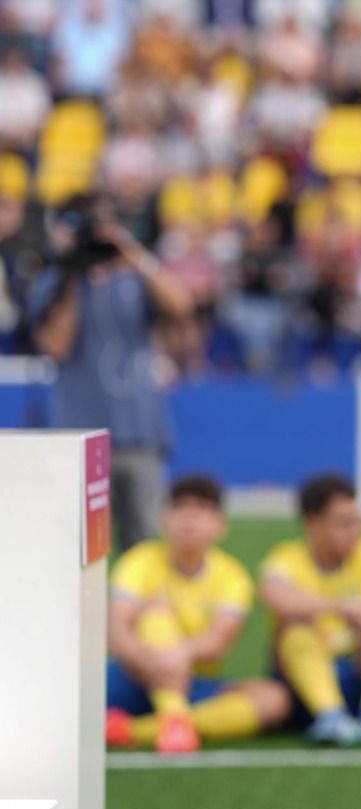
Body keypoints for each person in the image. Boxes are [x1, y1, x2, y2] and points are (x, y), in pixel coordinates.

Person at [28, 193, 193, 551]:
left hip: (138, 431)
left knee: (145, 549)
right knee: (75, 549)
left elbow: (181, 305)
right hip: (78, 434)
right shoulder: (53, 283)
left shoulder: (135, 277)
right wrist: (73, 270)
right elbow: (56, 345)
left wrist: (131, 252)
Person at [105, 475, 290, 753]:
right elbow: (117, 629)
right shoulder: (138, 561)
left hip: (193, 681)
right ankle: (175, 723)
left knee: (275, 700)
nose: (189, 518)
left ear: (220, 525)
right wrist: (153, 662)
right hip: (133, 674)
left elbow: (218, 643)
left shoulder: (232, 575)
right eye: (180, 508)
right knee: (155, 616)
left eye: (201, 509)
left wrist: (177, 658)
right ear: (163, 519)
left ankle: (137, 729)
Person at [260, 474, 361, 746]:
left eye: (358, 521)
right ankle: (329, 716)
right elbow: (276, 595)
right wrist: (343, 608)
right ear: (312, 524)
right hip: (304, 691)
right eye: (345, 522)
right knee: (294, 628)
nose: (357, 530)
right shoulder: (287, 559)